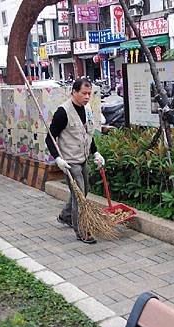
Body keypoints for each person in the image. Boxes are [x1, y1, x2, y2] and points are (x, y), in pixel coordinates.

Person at [45, 78, 105, 244]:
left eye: (89, 93)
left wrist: (96, 153)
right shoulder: (62, 112)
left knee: (84, 190)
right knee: (80, 198)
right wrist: (57, 159)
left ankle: (66, 215)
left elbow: (87, 135)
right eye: (83, 93)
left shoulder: (86, 110)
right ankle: (82, 231)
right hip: (70, 162)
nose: (87, 97)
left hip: (83, 158)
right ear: (74, 92)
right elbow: (49, 139)